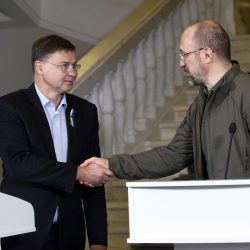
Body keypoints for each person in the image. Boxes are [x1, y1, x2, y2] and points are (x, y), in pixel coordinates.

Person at [82, 19, 250, 182]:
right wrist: (112, 164)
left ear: (206, 54)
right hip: (219, 207)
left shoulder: (246, 91)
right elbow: (174, 155)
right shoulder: (200, 105)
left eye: (184, 55)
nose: (181, 63)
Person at [0, 35, 113, 250]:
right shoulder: (10, 106)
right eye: (64, 66)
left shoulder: (86, 112)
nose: (73, 72)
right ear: (40, 67)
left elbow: (93, 177)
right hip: (23, 231)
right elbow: (19, 163)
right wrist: (77, 173)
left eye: (74, 65)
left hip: (70, 234)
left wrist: (99, 240)